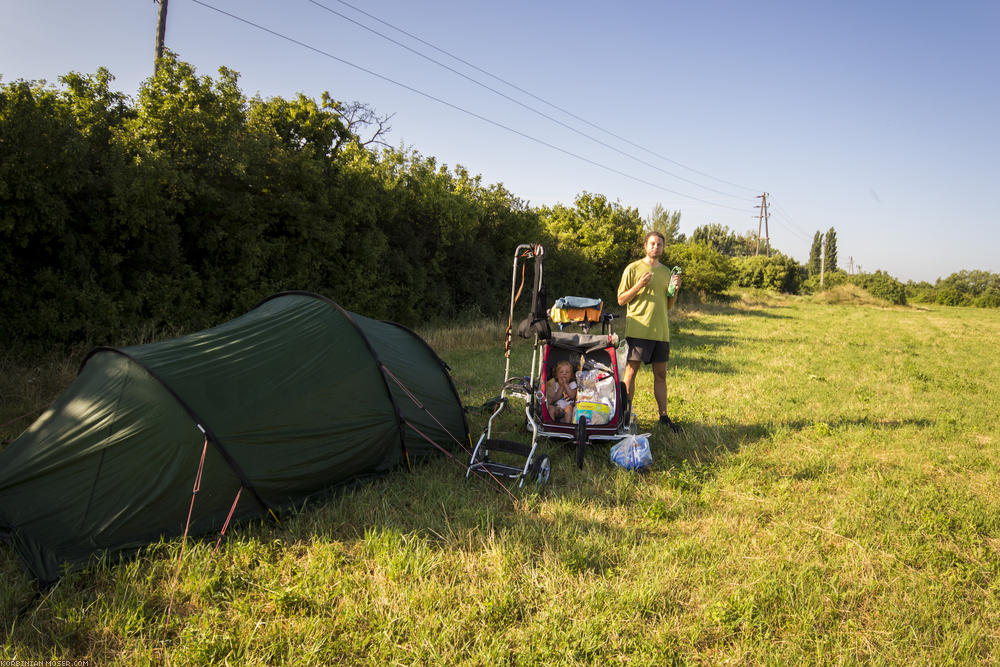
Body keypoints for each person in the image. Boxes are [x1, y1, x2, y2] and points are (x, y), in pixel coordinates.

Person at [617, 231, 682, 432]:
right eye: (652, 243)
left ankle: (663, 416)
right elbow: (621, 299)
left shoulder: (667, 273)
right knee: (631, 372)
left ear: (663, 248)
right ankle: (624, 415)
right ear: (645, 246)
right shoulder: (633, 268)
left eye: (659, 244)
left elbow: (669, 305)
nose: (656, 247)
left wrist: (675, 289)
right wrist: (639, 285)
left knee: (661, 374)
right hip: (639, 329)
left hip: (660, 331)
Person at [545, 359, 578, 424]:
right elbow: (554, 399)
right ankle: (551, 425)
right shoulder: (555, 385)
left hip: (568, 407)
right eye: (561, 372)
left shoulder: (573, 384)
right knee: (551, 408)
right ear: (557, 375)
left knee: (569, 408)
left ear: (571, 375)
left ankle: (567, 425)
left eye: (567, 372)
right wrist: (561, 387)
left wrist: (565, 385)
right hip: (558, 408)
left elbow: (572, 396)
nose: (564, 374)